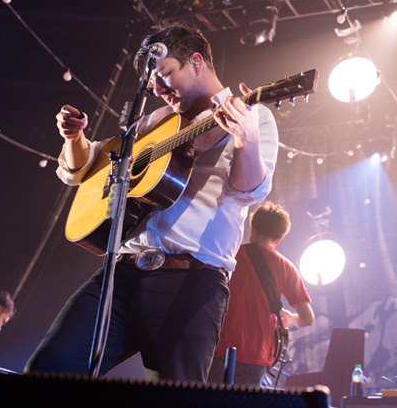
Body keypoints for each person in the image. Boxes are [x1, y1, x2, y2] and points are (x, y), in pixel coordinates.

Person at [25, 23, 279, 383]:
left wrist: (246, 139)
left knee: (176, 394)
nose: (158, 89)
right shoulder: (155, 121)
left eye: (165, 75)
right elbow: (87, 167)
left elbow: (247, 191)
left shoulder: (253, 115)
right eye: (152, 83)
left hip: (193, 279)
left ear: (195, 61)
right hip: (122, 273)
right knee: (48, 367)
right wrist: (74, 137)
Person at [208, 201, 314, 386]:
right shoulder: (287, 268)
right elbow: (307, 318)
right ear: (279, 238)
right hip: (256, 355)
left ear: (252, 228)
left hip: (218, 349)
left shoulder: (229, 255)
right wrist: (292, 319)